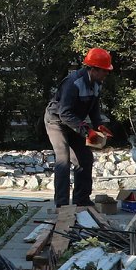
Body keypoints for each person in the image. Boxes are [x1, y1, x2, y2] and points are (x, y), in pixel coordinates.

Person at [45, 47, 115, 208]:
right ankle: (62, 205)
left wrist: (99, 126)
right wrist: (86, 131)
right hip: (56, 122)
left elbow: (94, 109)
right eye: (104, 71)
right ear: (93, 69)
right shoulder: (73, 83)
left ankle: (81, 200)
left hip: (75, 123)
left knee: (85, 158)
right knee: (63, 159)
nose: (107, 74)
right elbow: (65, 113)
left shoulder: (97, 84)